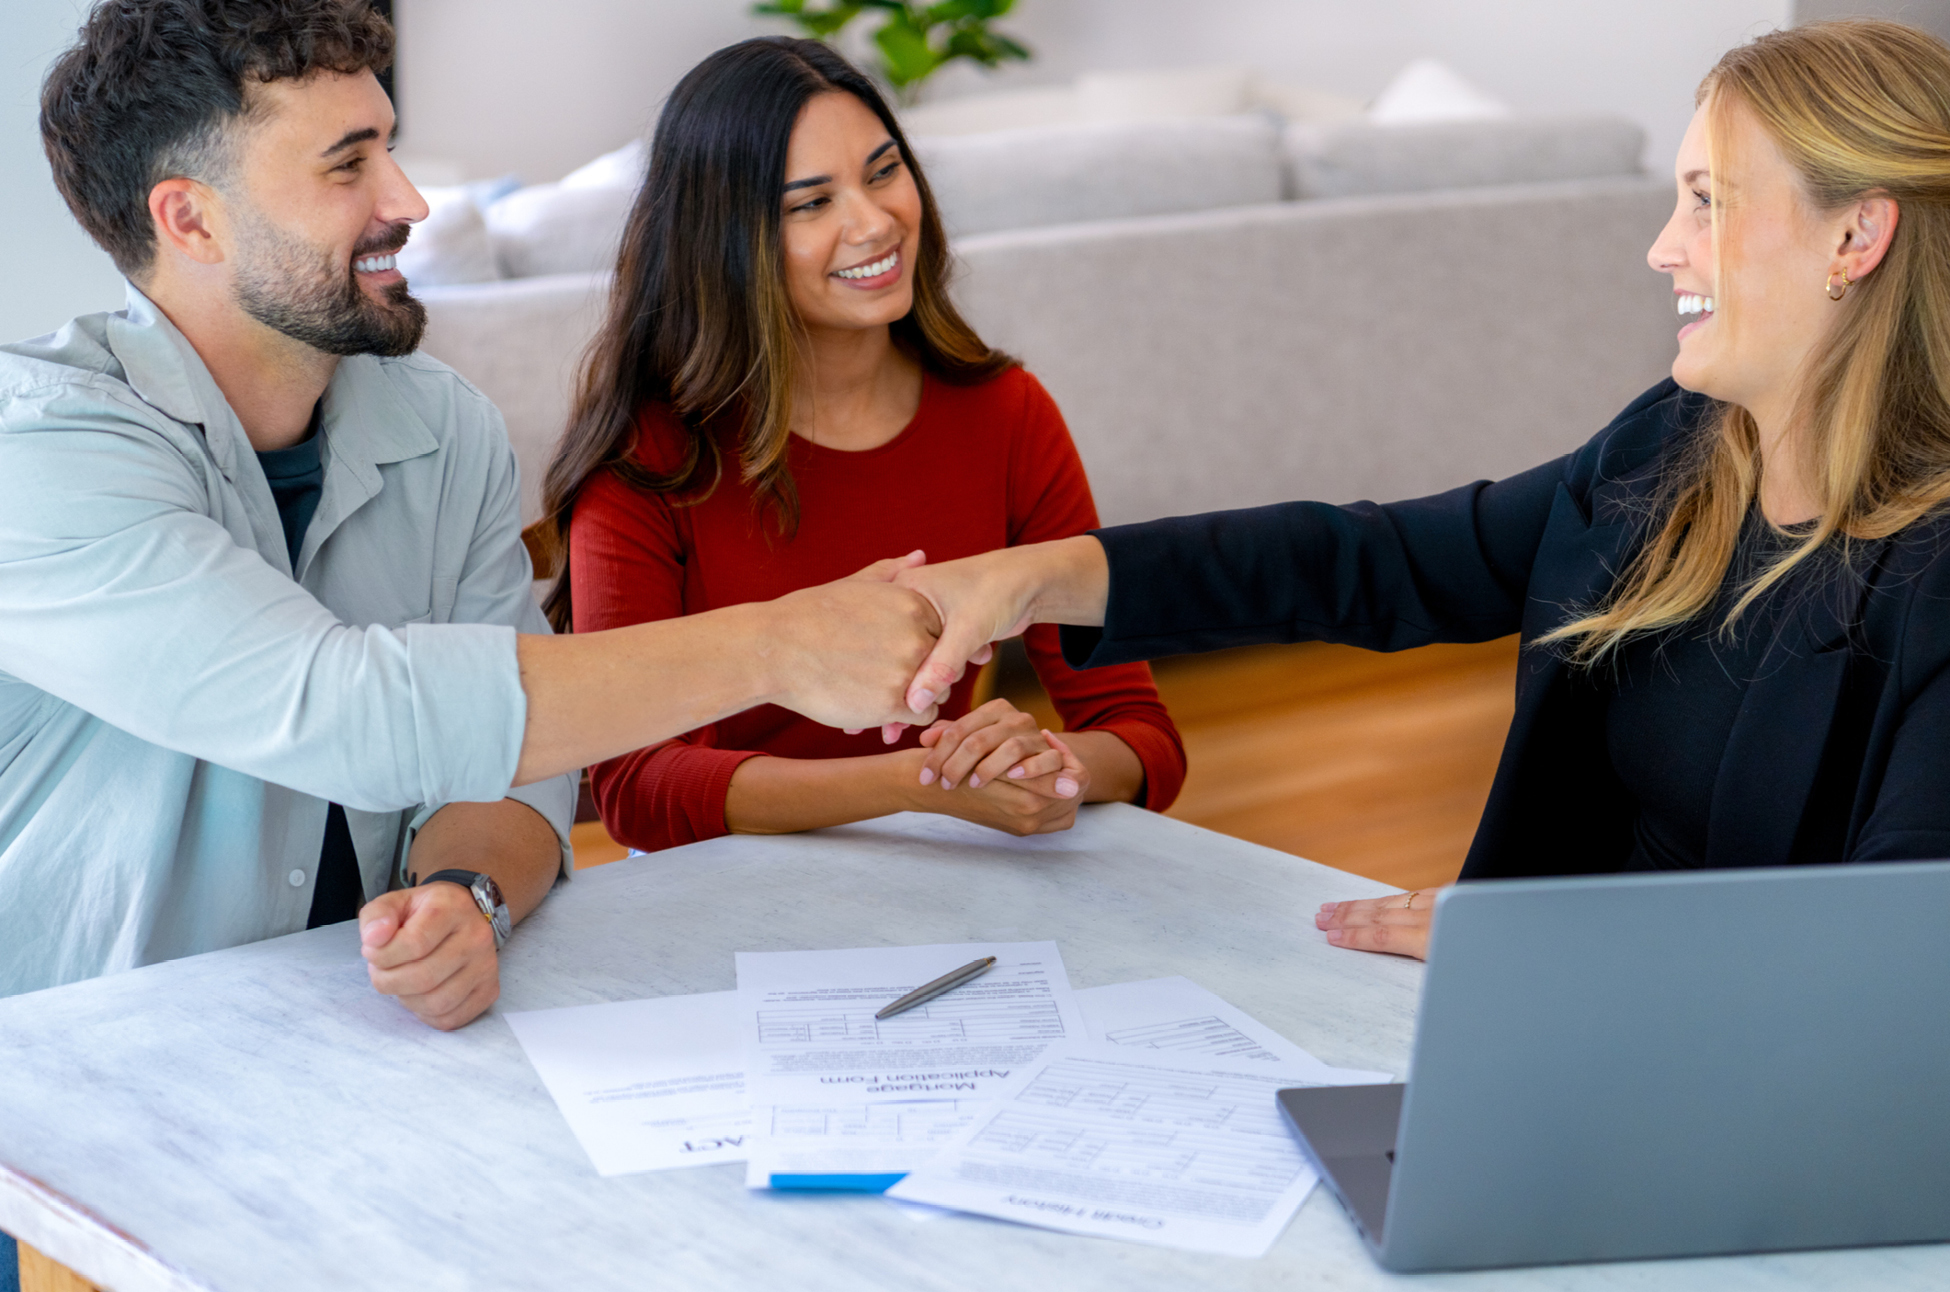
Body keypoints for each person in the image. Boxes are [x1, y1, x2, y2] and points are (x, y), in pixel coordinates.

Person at [887, 19, 1950, 960]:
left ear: (1856, 236)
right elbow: (1380, 558)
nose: (1662, 246)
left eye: (1707, 203)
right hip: (1531, 1035)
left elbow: (1893, 966)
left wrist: (1552, 950)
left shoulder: (1933, 581)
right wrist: (1043, 578)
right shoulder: (1673, 451)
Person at [0, 0, 949, 1023]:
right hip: (69, 1070)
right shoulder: (41, 451)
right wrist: (780, 646)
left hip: (347, 1041)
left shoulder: (444, 427)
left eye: (391, 149)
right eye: (347, 165)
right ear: (191, 219)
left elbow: (512, 768)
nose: (406, 198)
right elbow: (340, 708)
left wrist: (468, 890)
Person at [537, 37, 1185, 851]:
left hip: (948, 875)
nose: (875, 223)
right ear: (725, 243)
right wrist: (920, 786)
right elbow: (633, 788)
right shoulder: (648, 456)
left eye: (883, 172)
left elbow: (1137, 732)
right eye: (810, 204)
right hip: (726, 897)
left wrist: (1045, 764)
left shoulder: (1007, 414)